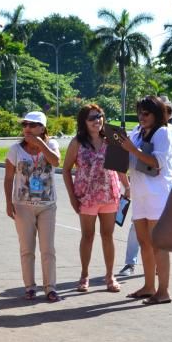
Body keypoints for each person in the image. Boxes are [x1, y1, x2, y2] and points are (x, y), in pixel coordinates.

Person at [62, 104, 127, 293]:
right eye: (92, 118)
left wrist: (127, 187)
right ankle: (84, 275)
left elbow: (120, 167)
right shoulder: (77, 142)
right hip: (86, 197)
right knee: (87, 236)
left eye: (99, 116)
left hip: (110, 195)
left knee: (108, 236)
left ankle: (110, 276)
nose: (97, 120)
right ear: (84, 121)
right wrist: (72, 197)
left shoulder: (111, 139)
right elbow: (66, 170)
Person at [119, 95, 172, 305]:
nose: (141, 117)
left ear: (157, 114)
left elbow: (158, 162)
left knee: (158, 243)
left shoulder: (163, 132)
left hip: (158, 194)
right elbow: (130, 159)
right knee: (144, 242)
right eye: (139, 113)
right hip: (140, 193)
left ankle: (163, 291)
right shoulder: (137, 131)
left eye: (146, 113)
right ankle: (149, 286)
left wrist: (133, 149)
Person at [4, 111, 62, 302]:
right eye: (25, 125)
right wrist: (8, 202)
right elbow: (9, 177)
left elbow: (56, 161)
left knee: (48, 248)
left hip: (46, 205)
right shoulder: (15, 149)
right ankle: (29, 287)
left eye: (33, 125)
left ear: (43, 128)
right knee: (26, 248)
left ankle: (50, 287)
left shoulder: (51, 144)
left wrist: (40, 144)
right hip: (22, 205)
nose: (27, 128)